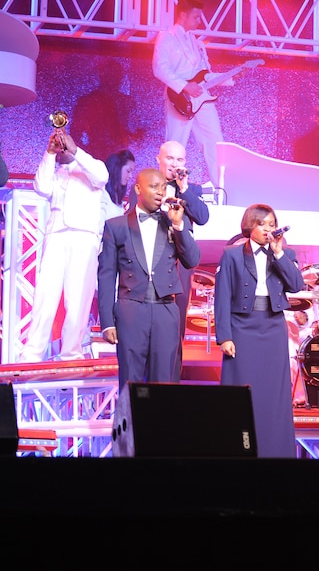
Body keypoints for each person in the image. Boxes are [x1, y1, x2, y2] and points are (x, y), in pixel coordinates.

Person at [97, 168, 201, 389]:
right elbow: (106, 275)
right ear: (138, 188)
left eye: (163, 187)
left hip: (165, 309)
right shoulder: (116, 226)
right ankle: (131, 423)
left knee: (165, 380)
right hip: (131, 309)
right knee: (131, 380)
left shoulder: (173, 222)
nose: (160, 192)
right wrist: (106, 322)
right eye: (154, 186)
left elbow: (192, 260)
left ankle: (163, 424)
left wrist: (178, 226)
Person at [214, 204, 303, 458]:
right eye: (262, 224)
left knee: (273, 394)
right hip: (242, 327)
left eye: (272, 224)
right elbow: (221, 298)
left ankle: (275, 451)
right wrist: (225, 336)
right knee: (241, 390)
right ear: (250, 226)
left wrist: (279, 254)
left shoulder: (284, 253)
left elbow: (296, 285)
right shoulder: (231, 255)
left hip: (273, 326)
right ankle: (236, 450)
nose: (268, 229)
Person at [19, 129, 109, 363]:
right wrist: (49, 153)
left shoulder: (93, 167)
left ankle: (71, 352)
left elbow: (101, 177)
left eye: (64, 142)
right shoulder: (56, 171)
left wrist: (75, 150)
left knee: (78, 297)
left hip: (83, 237)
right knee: (45, 295)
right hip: (57, 234)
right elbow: (41, 187)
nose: (62, 146)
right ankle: (32, 353)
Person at [152, 0, 225, 189]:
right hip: (180, 98)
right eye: (196, 16)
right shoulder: (167, 37)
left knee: (215, 142)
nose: (199, 21)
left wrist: (230, 77)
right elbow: (160, 68)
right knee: (175, 145)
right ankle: (166, 190)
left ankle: (221, 188)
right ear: (183, 15)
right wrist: (184, 86)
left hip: (201, 98)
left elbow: (204, 75)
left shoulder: (197, 43)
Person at [156, 140, 211, 355]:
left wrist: (184, 188)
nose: (174, 164)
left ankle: (173, 376)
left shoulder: (191, 189)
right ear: (159, 159)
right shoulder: (146, 184)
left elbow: (203, 217)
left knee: (176, 323)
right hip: (153, 260)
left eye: (179, 159)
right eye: (170, 158)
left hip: (180, 264)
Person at [101, 149, 135, 225]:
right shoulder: (102, 194)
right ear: (117, 168)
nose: (130, 176)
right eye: (128, 171)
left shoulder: (118, 198)